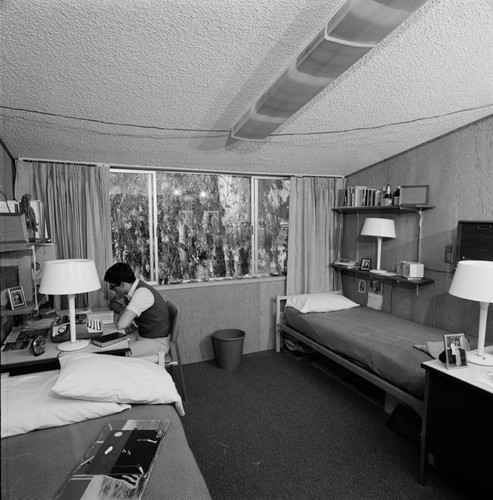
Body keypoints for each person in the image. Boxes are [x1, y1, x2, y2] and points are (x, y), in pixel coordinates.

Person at [104, 263, 171, 357]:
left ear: (122, 284)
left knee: (117, 355)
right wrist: (125, 313)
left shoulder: (141, 293)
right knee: (108, 348)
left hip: (157, 342)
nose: (113, 290)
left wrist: (126, 317)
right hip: (142, 334)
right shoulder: (130, 290)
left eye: (112, 287)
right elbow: (113, 303)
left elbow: (121, 324)